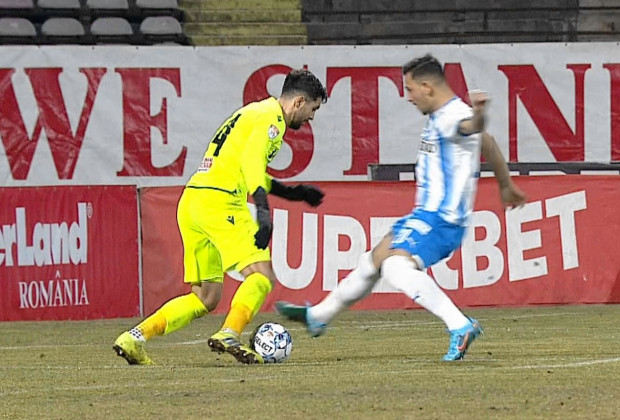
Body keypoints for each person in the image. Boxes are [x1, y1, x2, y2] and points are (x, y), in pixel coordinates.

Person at [276, 54, 526, 361]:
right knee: (373, 260)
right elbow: (486, 141)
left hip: (441, 219)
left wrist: (480, 113)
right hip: (430, 216)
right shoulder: (443, 115)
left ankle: (460, 325)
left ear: (428, 87)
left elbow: (474, 126)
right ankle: (319, 315)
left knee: (394, 266)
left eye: (409, 89)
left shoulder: (452, 116)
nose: (408, 97)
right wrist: (505, 184)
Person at [114, 69, 328, 365]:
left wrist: (294, 193)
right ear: (299, 101)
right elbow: (253, 164)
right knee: (262, 277)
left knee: (206, 297)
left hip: (193, 201)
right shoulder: (272, 120)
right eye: (313, 109)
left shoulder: (252, 112)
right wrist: (264, 213)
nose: (311, 118)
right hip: (220, 201)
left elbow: (243, 167)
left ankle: (134, 337)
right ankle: (229, 333)